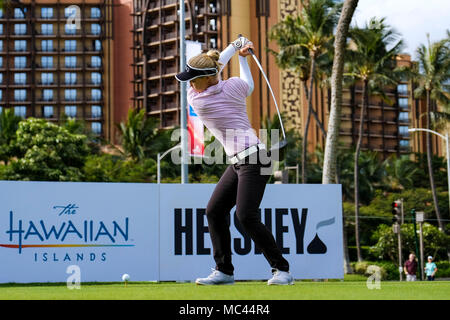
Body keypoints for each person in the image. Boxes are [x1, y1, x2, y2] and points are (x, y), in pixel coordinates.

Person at [175, 36, 293, 285]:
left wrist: (234, 47)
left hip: (256, 158)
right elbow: (247, 84)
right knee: (215, 211)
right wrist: (241, 56)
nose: (190, 85)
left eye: (192, 80)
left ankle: (282, 270)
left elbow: (217, 67)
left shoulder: (199, 100)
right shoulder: (233, 88)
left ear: (205, 79)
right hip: (240, 161)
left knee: (246, 216)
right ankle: (224, 271)